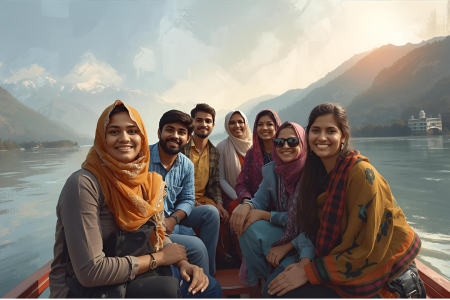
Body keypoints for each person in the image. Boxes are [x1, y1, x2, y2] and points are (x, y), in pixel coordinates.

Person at [49, 101, 221, 298]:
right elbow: (90, 272)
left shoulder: (144, 181)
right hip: (89, 290)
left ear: (142, 137)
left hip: (133, 274)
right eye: (114, 132)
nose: (124, 138)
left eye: (132, 131)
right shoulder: (83, 185)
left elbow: (156, 234)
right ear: (101, 138)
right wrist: (160, 258)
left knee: (209, 286)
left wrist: (183, 263)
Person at [266, 103, 424, 298]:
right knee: (272, 286)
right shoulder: (316, 175)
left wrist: (310, 272)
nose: (322, 137)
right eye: (316, 130)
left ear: (343, 137)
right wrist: (305, 262)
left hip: (383, 273)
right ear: (308, 137)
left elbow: (369, 249)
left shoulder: (362, 175)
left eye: (330, 131)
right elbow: (315, 230)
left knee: (278, 294)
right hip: (339, 261)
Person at [230, 122, 315, 293]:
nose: (285, 146)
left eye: (292, 141)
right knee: (246, 225)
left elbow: (310, 225)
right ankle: (267, 272)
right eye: (279, 142)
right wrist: (247, 206)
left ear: (303, 143)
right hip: (289, 231)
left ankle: (280, 268)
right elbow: (260, 199)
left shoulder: (313, 175)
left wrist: (266, 216)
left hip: (310, 244)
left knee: (270, 291)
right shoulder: (273, 171)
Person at [149, 109, 220, 277]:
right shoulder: (143, 159)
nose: (175, 135)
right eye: (169, 130)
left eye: (181, 132)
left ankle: (209, 274)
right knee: (196, 246)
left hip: (171, 217)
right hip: (149, 225)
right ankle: (205, 284)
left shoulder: (186, 165)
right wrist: (162, 223)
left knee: (211, 212)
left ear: (188, 138)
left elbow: (188, 199)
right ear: (159, 132)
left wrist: (173, 219)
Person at [181, 103, 227, 275]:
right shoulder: (181, 148)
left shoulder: (214, 152)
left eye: (208, 121)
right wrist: (193, 202)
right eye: (199, 120)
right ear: (192, 122)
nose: (203, 124)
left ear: (213, 125)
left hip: (203, 199)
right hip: (181, 201)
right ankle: (206, 271)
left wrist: (220, 203)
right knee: (211, 213)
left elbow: (215, 183)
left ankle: (214, 265)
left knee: (222, 213)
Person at [216, 110, 253, 257]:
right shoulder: (223, 146)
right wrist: (239, 198)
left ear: (246, 123)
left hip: (256, 195)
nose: (237, 125)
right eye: (232, 122)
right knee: (237, 209)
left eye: (240, 122)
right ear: (226, 125)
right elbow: (221, 178)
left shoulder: (255, 145)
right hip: (233, 195)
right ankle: (242, 256)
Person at [235, 110, 281, 204]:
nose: (264, 128)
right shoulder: (252, 153)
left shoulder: (285, 150)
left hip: (284, 205)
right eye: (260, 124)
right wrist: (246, 200)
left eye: (269, 124)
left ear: (277, 127)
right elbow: (242, 183)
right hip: (258, 203)